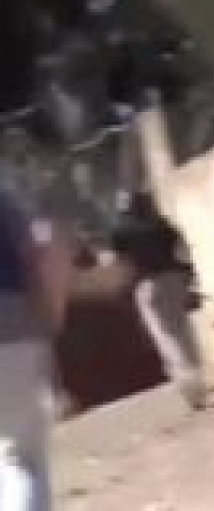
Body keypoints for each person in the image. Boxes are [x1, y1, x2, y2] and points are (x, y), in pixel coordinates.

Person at [0, 192, 74, 511]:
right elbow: (48, 246)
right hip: (10, 327)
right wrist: (51, 316)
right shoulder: (6, 204)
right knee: (23, 458)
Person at [109, 190, 206, 410]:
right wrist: (190, 277)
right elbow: (183, 251)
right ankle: (196, 375)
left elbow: (122, 266)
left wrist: (124, 290)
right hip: (174, 279)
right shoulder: (161, 224)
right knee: (183, 330)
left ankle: (188, 382)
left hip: (147, 285)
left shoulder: (120, 233)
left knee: (166, 336)